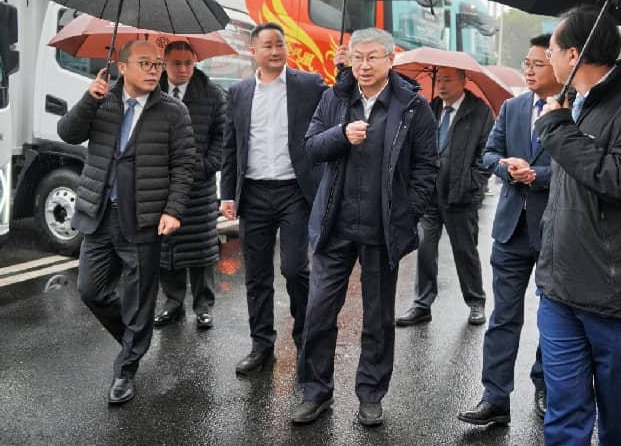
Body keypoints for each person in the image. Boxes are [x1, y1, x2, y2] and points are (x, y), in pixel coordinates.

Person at [533, 5, 621, 446]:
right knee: (564, 411)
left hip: (618, 297)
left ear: (573, 54)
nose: (546, 58)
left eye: (551, 50)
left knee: (617, 414)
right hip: (561, 289)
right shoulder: (573, 104)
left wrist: (557, 129)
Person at [291, 28, 438, 427]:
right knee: (319, 311)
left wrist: (408, 213)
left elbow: (427, 167)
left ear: (391, 59)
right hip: (334, 225)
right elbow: (310, 148)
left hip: (382, 229)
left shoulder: (413, 107)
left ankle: (371, 394)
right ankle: (315, 392)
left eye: (373, 57)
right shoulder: (335, 98)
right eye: (357, 57)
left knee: (378, 318)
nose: (364, 65)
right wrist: (341, 135)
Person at [58, 40, 195, 405]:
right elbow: (67, 133)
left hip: (144, 219)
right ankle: (134, 339)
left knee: (139, 299)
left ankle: (126, 370)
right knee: (91, 289)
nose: (153, 70)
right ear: (122, 66)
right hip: (100, 214)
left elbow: (185, 166)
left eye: (157, 64)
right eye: (144, 63)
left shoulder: (173, 111)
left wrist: (173, 211)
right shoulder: (101, 100)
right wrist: (89, 99)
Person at [458, 34, 561, 427]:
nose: (529, 71)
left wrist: (538, 174)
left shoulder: (573, 111)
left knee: (553, 319)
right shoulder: (512, 107)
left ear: (559, 66)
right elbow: (488, 153)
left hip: (555, 229)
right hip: (511, 229)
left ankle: (544, 386)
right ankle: (495, 397)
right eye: (527, 63)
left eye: (538, 64)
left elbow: (578, 168)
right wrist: (505, 167)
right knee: (503, 317)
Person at [220, 22, 327, 376]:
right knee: (257, 276)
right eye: (267, 45)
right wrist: (227, 194)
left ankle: (304, 340)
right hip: (253, 193)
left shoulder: (308, 85)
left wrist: (343, 70)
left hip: (294, 191)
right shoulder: (238, 92)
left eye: (280, 44)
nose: (275, 50)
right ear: (254, 52)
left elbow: (340, 103)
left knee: (295, 269)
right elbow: (231, 147)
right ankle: (261, 346)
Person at [395, 67, 494, 328]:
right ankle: (422, 304)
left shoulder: (479, 112)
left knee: (465, 251)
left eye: (447, 80)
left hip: (461, 195)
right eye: (438, 80)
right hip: (429, 195)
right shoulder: (431, 108)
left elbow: (487, 153)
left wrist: (472, 182)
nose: (441, 85)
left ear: (463, 81)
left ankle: (476, 302)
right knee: (425, 249)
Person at [153, 41, 226, 330]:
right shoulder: (152, 90)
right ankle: (172, 303)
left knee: (201, 248)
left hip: (199, 185)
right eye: (176, 63)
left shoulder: (212, 94)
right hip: (162, 183)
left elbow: (223, 137)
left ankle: (203, 306)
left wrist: (207, 165)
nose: (183, 69)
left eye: (188, 63)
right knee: (166, 247)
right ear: (164, 63)